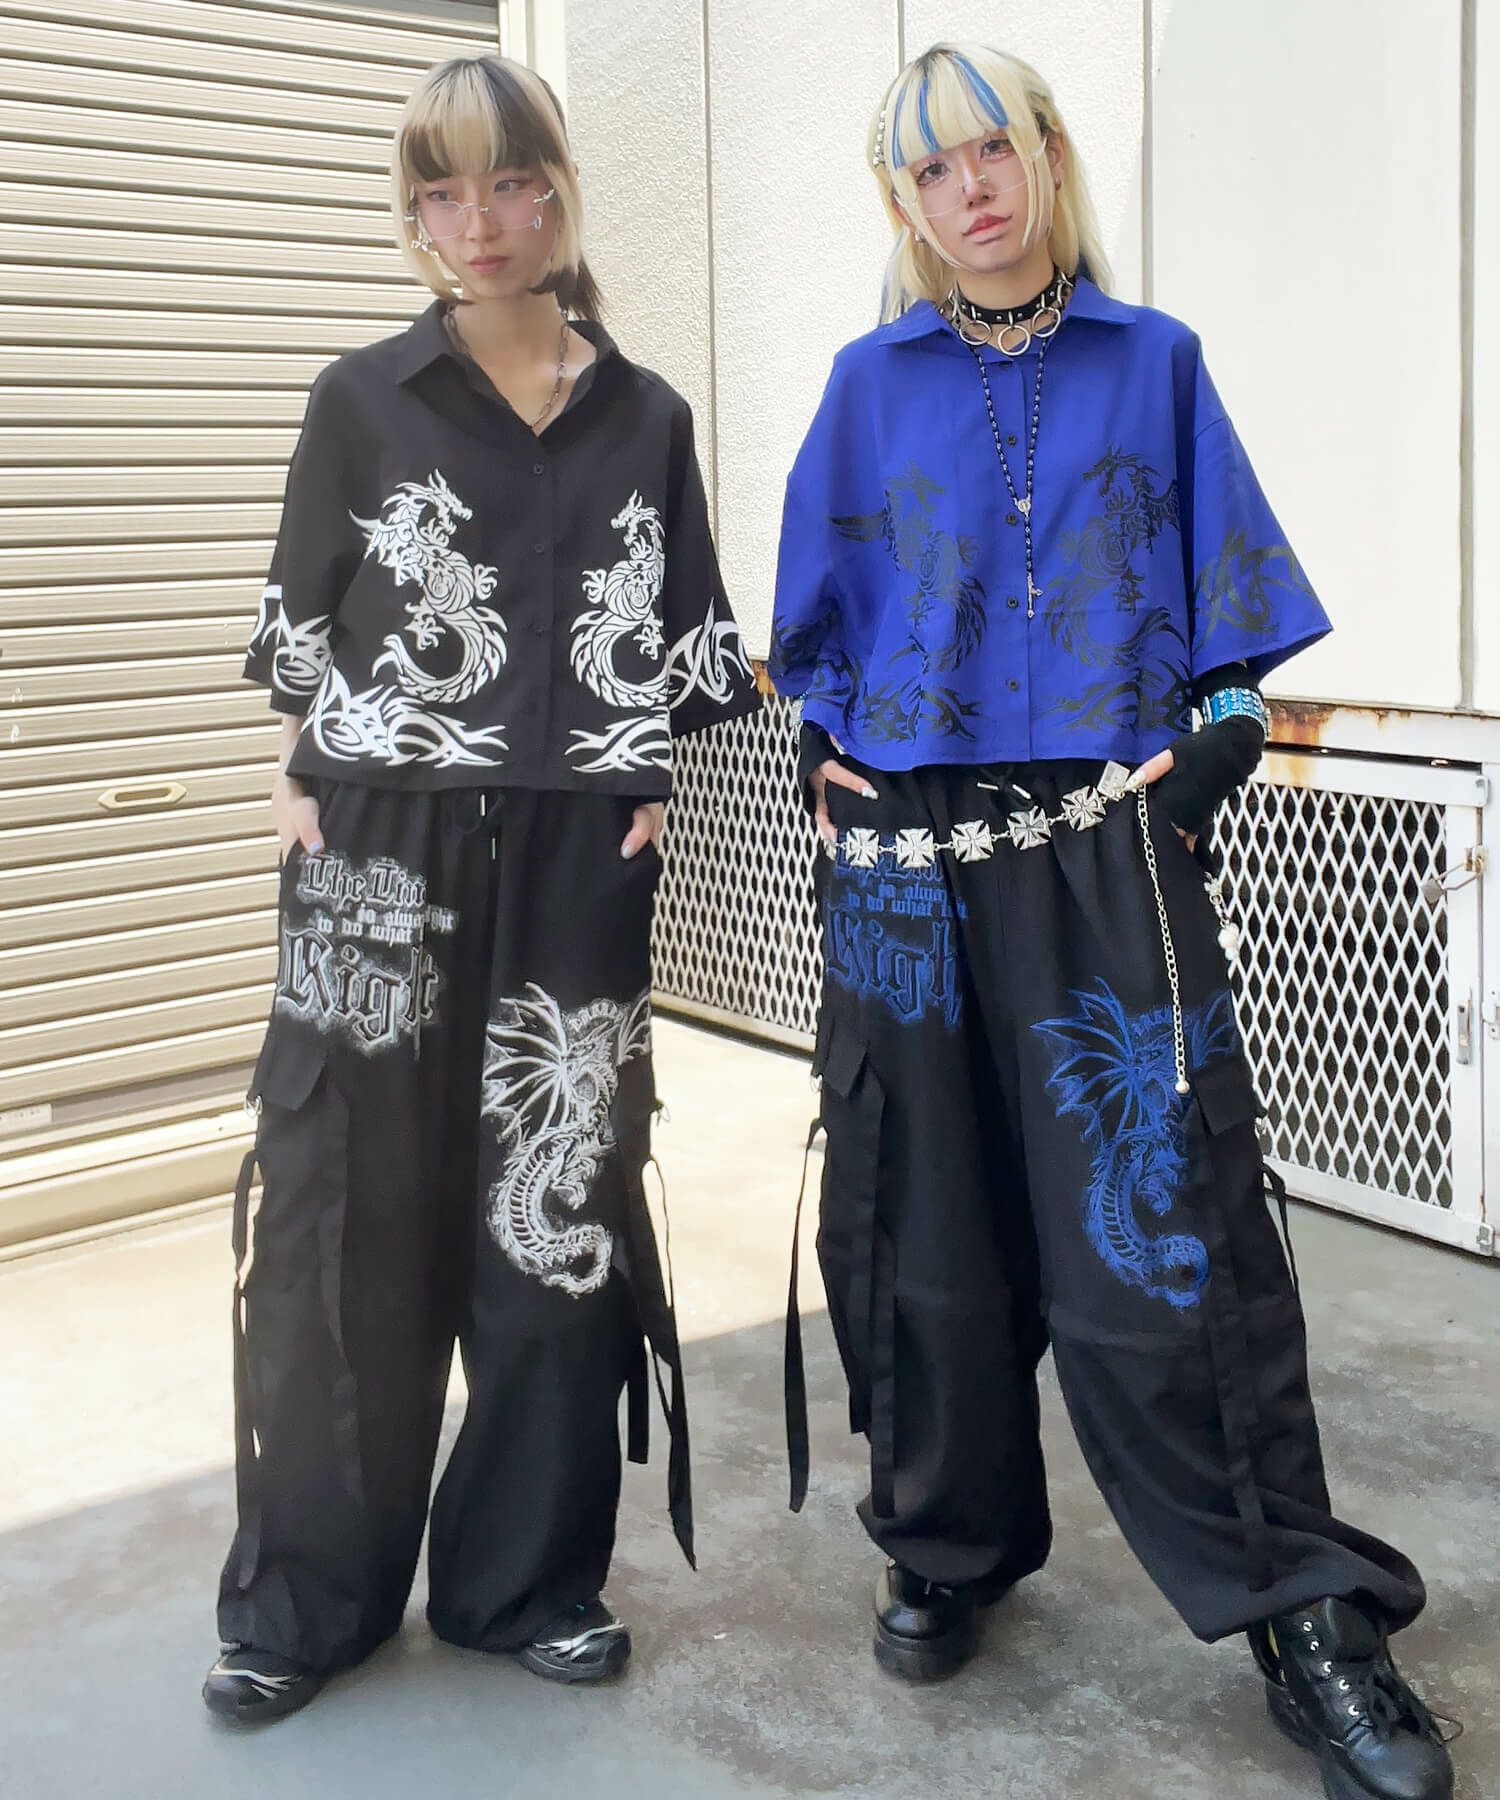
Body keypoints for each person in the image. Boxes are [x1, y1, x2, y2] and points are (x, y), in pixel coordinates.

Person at [771, 42, 1454, 1800]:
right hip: (907, 858)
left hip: (1101, 839)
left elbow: (1227, 630)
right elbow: (819, 630)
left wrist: (1217, 738)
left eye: (996, 150)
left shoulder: (1157, 362)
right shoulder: (865, 385)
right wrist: (822, 756)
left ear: (1052, 158)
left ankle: (1300, 1609)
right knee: (915, 1213)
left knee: (1170, 1230)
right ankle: (947, 1540)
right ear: (903, 203)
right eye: (934, 169)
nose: (973, 190)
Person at [204, 52, 758, 1725]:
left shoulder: (646, 416)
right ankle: (310, 1597)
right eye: (441, 192)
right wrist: (294, 772)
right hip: (380, 848)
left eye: (511, 183)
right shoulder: (360, 401)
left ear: (558, 190)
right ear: (413, 214)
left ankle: (524, 1581)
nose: (481, 222)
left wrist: (648, 787)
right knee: (341, 1217)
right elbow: (304, 626)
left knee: (559, 1203)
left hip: (578, 856)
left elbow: (680, 636)